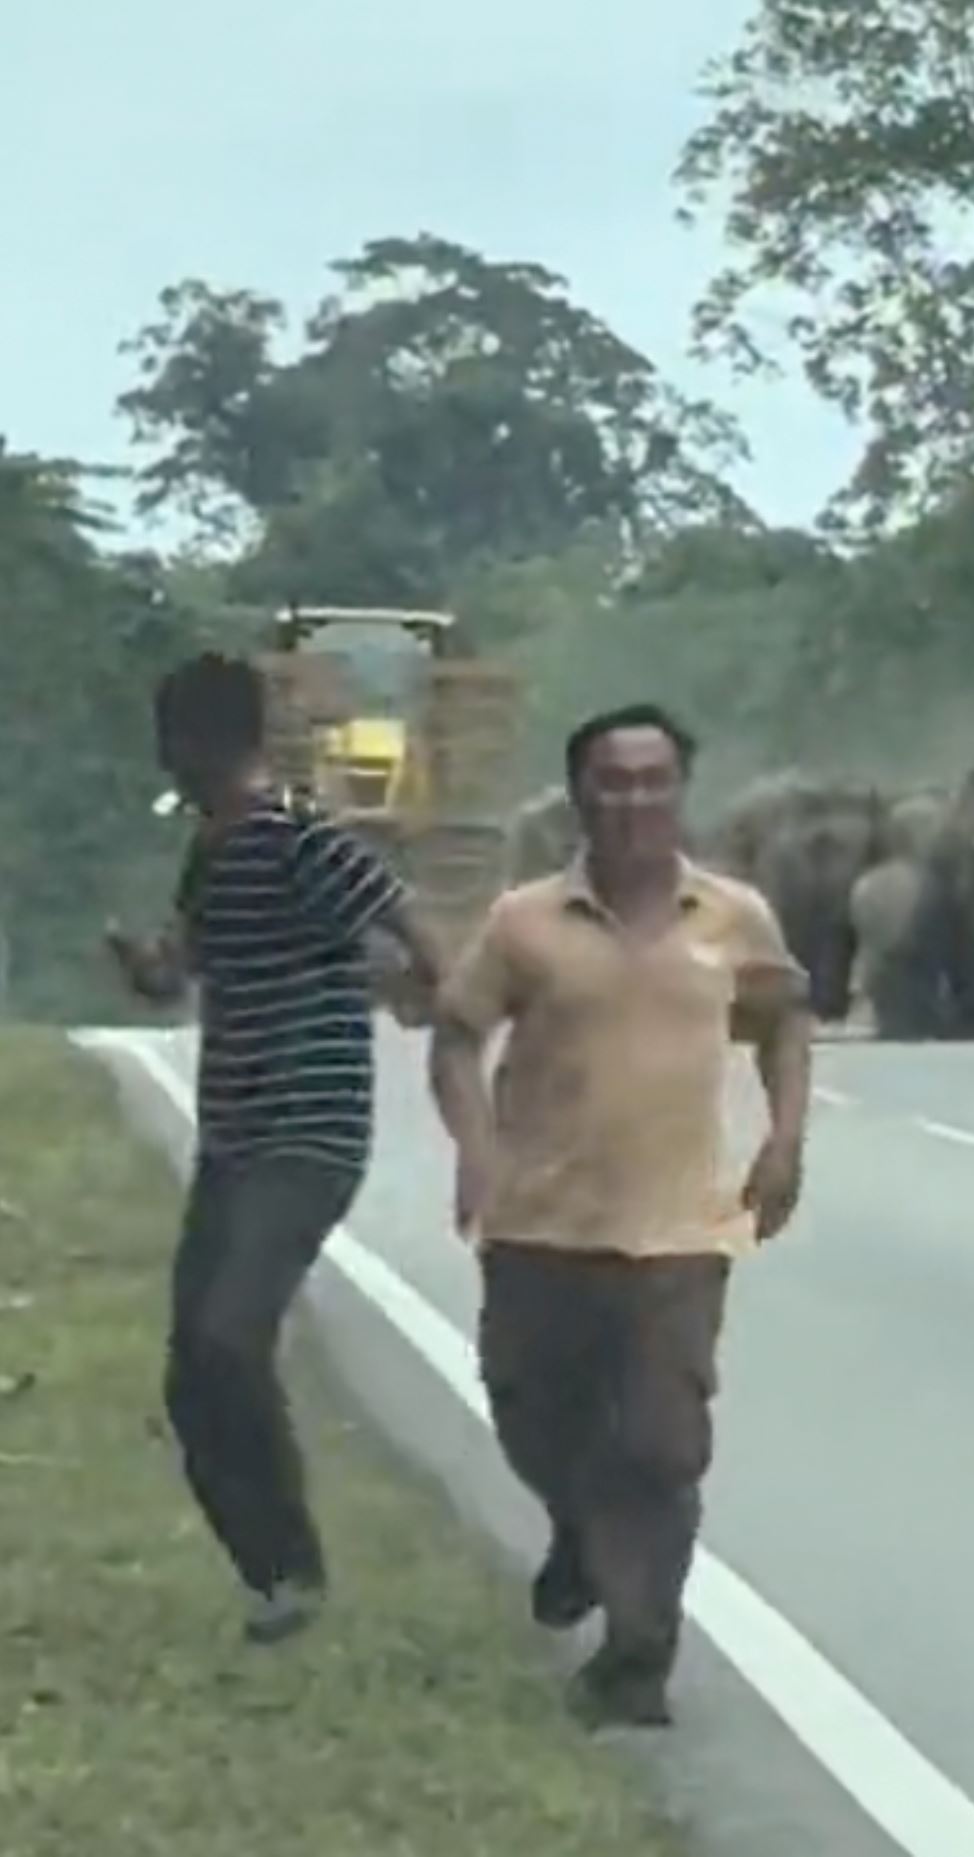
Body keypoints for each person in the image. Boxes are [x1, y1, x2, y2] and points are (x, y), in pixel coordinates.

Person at [426, 701, 812, 1729]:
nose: (635, 800)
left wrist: (785, 1140)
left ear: (681, 791)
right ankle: (578, 1530)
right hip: (539, 1225)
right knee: (529, 1408)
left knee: (660, 1445)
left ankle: (638, 1660)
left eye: (654, 780)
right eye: (614, 780)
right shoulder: (523, 922)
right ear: (580, 795)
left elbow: (783, 1021)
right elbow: (456, 1036)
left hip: (678, 1234)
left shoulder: (733, 917)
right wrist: (476, 1150)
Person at [104, 650, 445, 1644]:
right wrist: (141, 964)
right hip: (235, 1136)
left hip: (309, 1133)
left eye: (173, 745)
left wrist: (427, 992)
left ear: (195, 743)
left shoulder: (301, 838)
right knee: (191, 1372)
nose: (168, 765)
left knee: (229, 1336)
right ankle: (269, 1570)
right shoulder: (212, 851)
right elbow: (178, 978)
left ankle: (296, 1569)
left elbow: (414, 929)